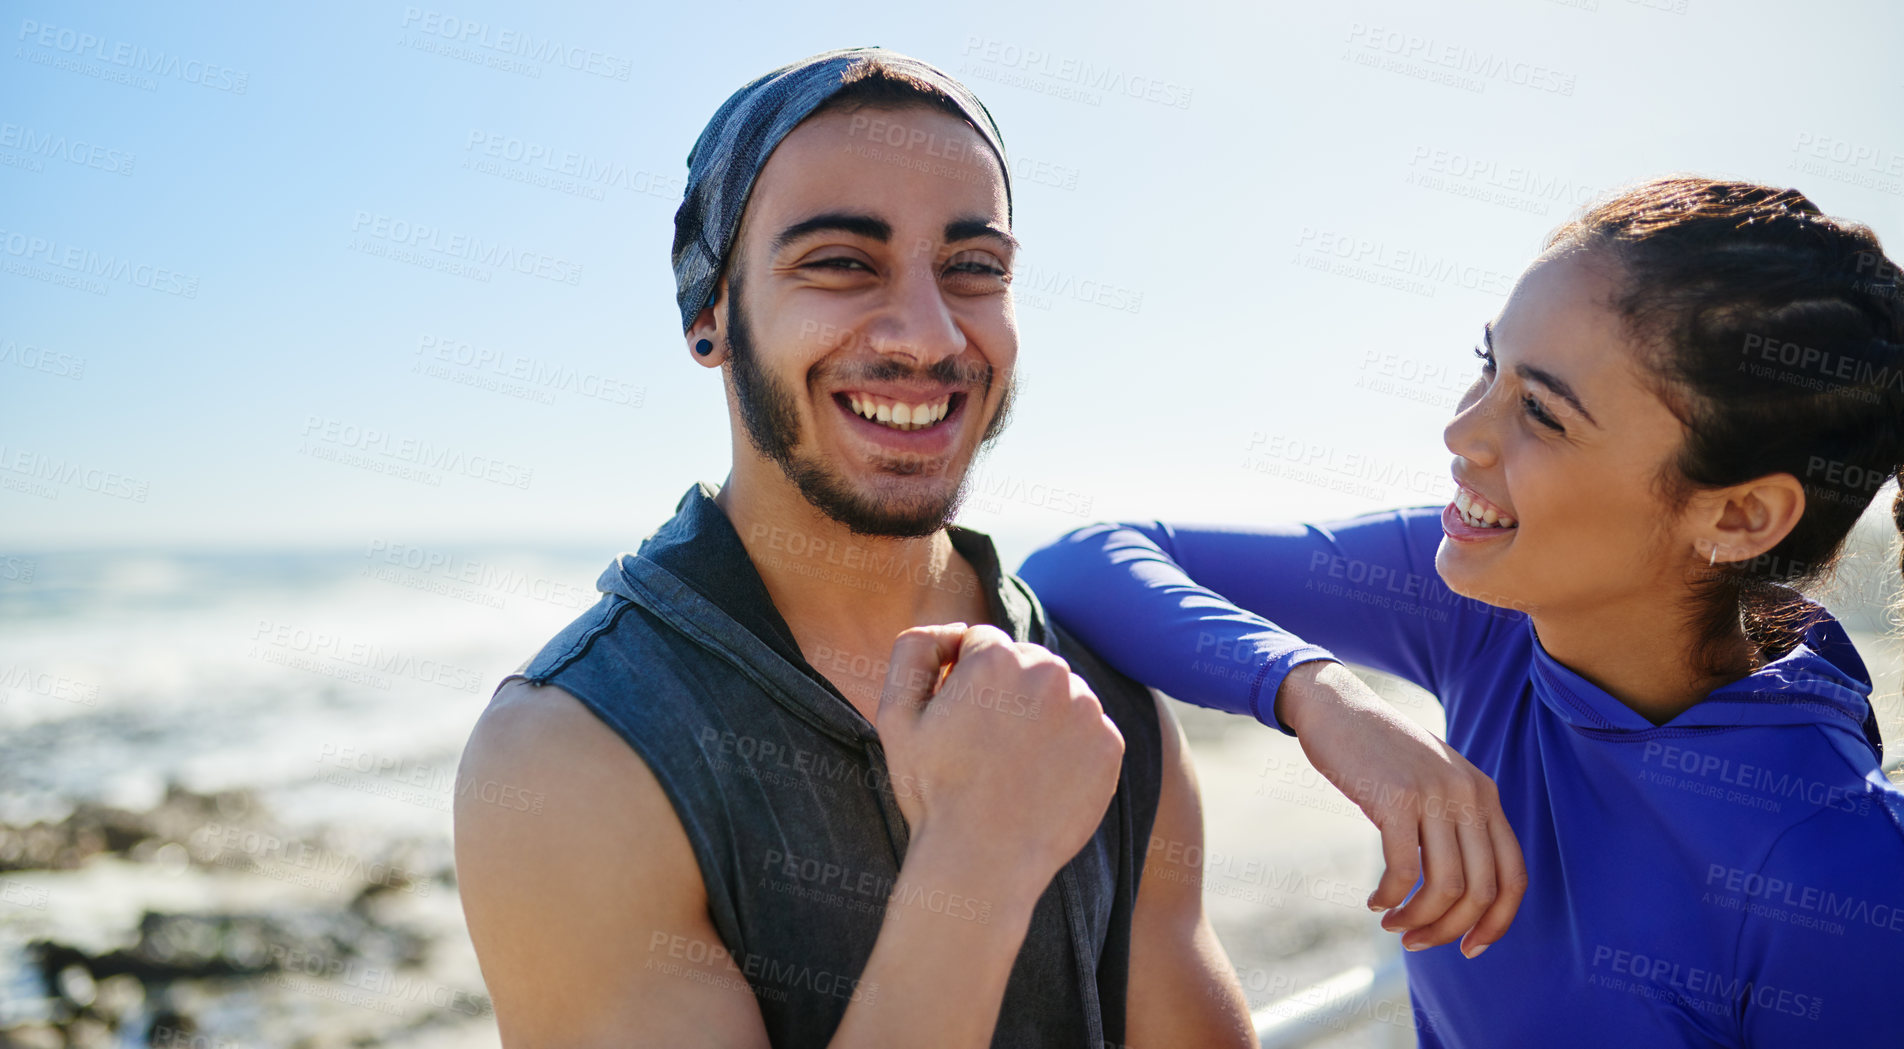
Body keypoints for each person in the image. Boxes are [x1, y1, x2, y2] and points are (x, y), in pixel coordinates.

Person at [452, 45, 1521, 1049]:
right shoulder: (568, 751)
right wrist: (976, 856)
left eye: (971, 266)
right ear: (710, 316)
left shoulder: (1095, 686)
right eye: (838, 262)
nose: (925, 333)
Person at [1020, 176, 1904, 1047]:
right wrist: (1321, 697)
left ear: (1738, 516)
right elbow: (1081, 561)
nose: (1463, 432)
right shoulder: (1480, 607)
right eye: (1490, 364)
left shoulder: (1839, 870)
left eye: (1542, 412)